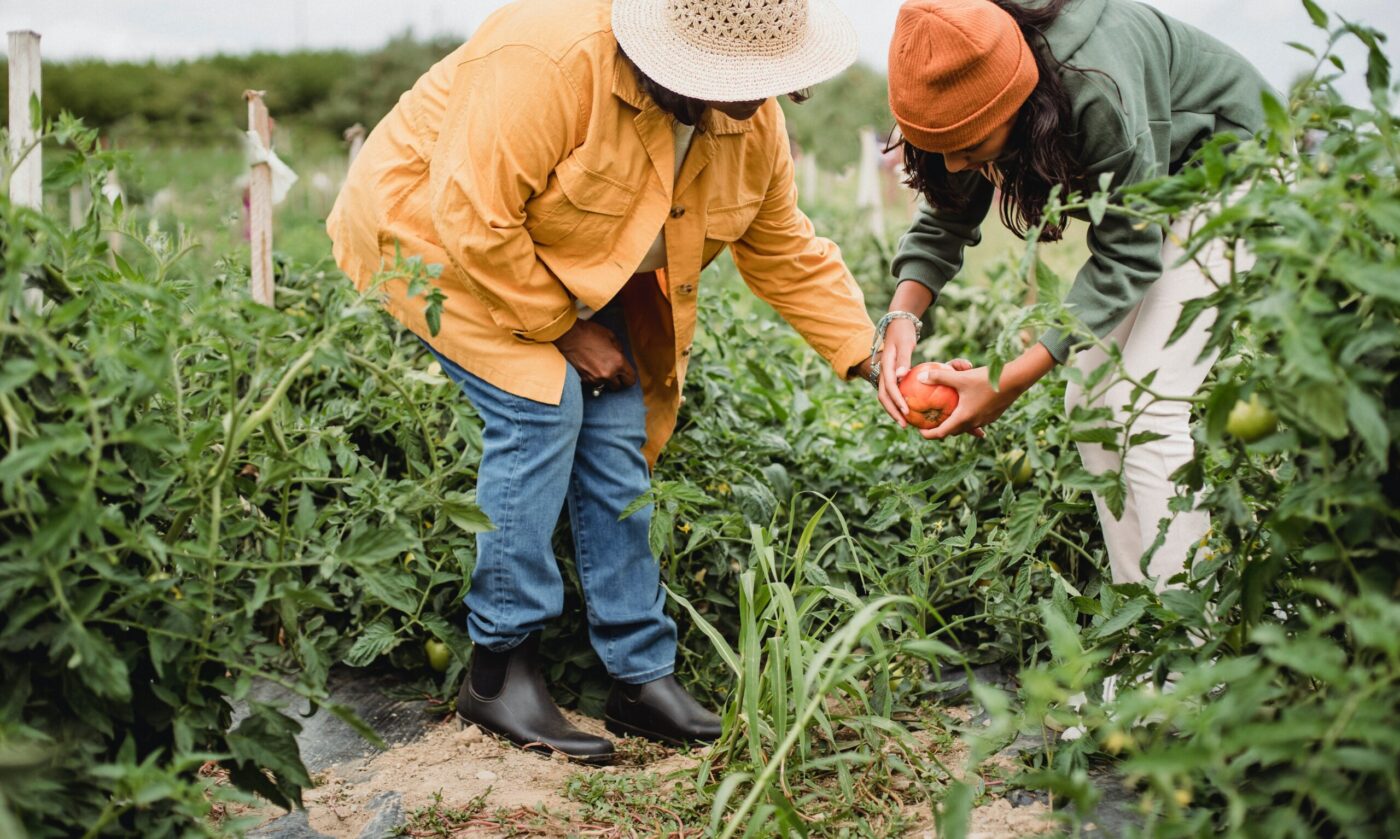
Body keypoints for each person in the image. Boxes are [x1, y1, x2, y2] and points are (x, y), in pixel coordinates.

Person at [327, 0, 877, 764]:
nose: (755, 101)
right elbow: (473, 218)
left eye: (771, 79)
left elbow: (783, 247)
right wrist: (568, 330)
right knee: (541, 405)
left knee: (617, 415)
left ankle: (638, 674)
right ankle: (499, 667)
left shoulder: (748, 120)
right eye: (737, 80)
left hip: (554, 260)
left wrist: (871, 354)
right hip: (433, 239)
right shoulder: (549, 59)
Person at [873, 0, 1271, 587]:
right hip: (1166, 195)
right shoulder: (970, 69)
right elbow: (946, 216)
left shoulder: (1092, 84)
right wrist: (901, 318)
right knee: (1089, 404)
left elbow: (1127, 255)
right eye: (940, 145)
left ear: (1016, 102)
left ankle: (1194, 654)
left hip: (1240, 175)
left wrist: (1004, 381)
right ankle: (1143, 630)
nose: (955, 161)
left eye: (970, 142)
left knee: (1149, 405)